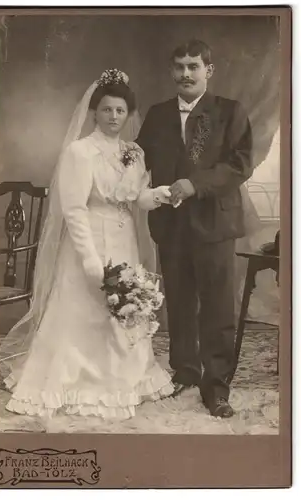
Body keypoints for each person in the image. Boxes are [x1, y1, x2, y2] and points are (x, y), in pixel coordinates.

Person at [0, 69, 175, 420]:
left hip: (124, 240)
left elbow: (136, 196)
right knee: (87, 308)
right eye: (106, 110)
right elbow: (74, 209)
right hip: (90, 240)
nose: (113, 117)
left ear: (129, 114)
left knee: (124, 306)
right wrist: (90, 259)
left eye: (120, 111)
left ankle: (125, 379)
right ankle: (75, 381)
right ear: (94, 112)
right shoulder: (80, 152)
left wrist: (159, 195)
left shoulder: (133, 152)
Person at [136, 39, 254, 418]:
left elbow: (239, 164)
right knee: (181, 303)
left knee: (218, 307)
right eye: (179, 67)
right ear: (172, 71)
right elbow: (139, 161)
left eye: (194, 67)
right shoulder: (156, 115)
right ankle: (185, 372)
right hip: (171, 226)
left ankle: (216, 387)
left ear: (208, 71)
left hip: (215, 224)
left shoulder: (228, 112)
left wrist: (195, 184)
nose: (186, 74)